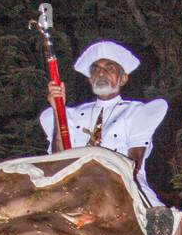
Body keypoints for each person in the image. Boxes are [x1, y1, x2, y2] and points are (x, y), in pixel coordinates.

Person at [40, 40, 168, 205]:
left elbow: (134, 164)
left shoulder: (137, 112)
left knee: (157, 220)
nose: (101, 72)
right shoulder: (72, 115)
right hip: (73, 186)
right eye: (96, 69)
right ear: (90, 79)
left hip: (125, 185)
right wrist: (58, 110)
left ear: (123, 78)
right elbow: (58, 159)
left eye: (110, 68)